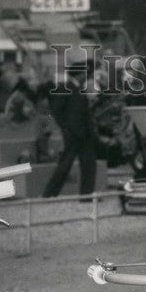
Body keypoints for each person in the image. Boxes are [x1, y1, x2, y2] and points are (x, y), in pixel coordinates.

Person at [43, 64, 97, 198]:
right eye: (85, 73)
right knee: (65, 165)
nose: (87, 75)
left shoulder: (76, 88)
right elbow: (56, 110)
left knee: (88, 164)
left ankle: (86, 194)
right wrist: (66, 128)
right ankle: (50, 194)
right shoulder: (66, 88)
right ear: (80, 74)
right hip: (73, 133)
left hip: (82, 133)